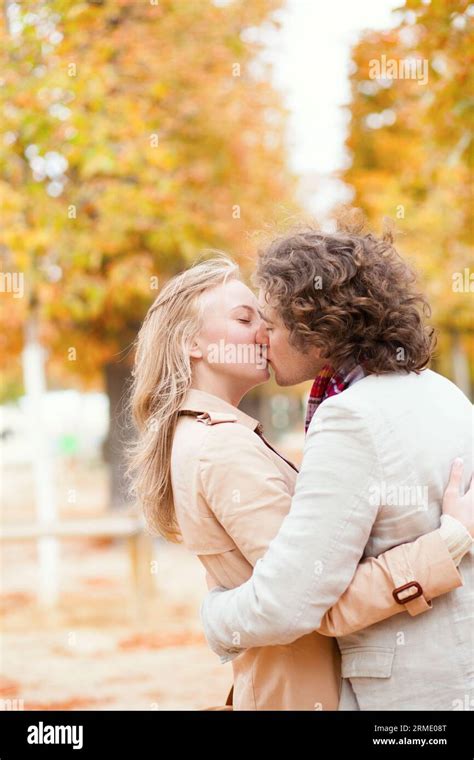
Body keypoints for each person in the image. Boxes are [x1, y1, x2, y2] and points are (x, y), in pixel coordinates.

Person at [128, 239, 472, 710]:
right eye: (245, 320)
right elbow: (306, 599)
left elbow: (306, 591)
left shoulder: (227, 435)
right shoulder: (221, 446)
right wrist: (447, 543)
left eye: (265, 320)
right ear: (192, 343)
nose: (261, 335)